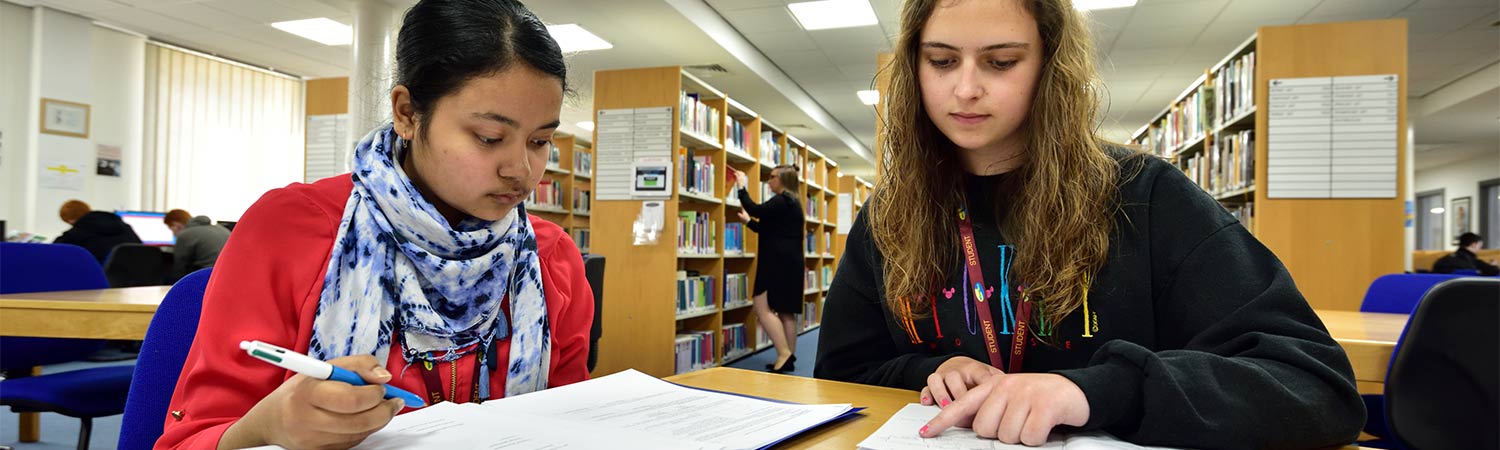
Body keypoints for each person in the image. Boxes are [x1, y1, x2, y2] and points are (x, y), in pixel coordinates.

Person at [814, 0, 1363, 448]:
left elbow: (1315, 385)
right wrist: (930, 371)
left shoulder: (1145, 196)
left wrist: (1095, 392)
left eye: (1001, 62)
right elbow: (839, 376)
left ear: (1050, 66)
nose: (965, 89)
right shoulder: (890, 212)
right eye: (941, 61)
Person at [156, 1, 593, 448]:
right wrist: (267, 426)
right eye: (489, 138)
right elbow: (187, 439)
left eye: (540, 141)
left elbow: (567, 424)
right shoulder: (291, 230)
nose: (520, 169)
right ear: (406, 113)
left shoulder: (551, 257)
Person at [730, 165, 805, 372]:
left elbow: (755, 209)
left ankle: (783, 353)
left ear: (782, 180)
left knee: (761, 307)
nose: (768, 181)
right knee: (786, 312)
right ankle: (789, 356)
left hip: (775, 262)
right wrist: (748, 223)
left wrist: (741, 186)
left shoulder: (780, 200)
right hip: (791, 262)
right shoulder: (793, 203)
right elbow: (768, 229)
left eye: (771, 177)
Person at [54, 199, 142, 263]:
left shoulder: (80, 230)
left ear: (71, 220)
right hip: (138, 280)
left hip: (100, 281)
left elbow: (55, 250)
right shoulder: (125, 227)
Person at [163, 209, 231, 282]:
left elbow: (179, 269)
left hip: (209, 276)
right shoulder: (220, 228)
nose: (173, 234)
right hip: (228, 274)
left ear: (176, 225)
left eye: (171, 229)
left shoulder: (185, 234)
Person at [1432, 232, 1500, 276]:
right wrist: (1493, 266)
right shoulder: (1474, 262)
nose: (1480, 249)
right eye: (1480, 246)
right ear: (1474, 245)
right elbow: (1494, 271)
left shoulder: (1442, 260)